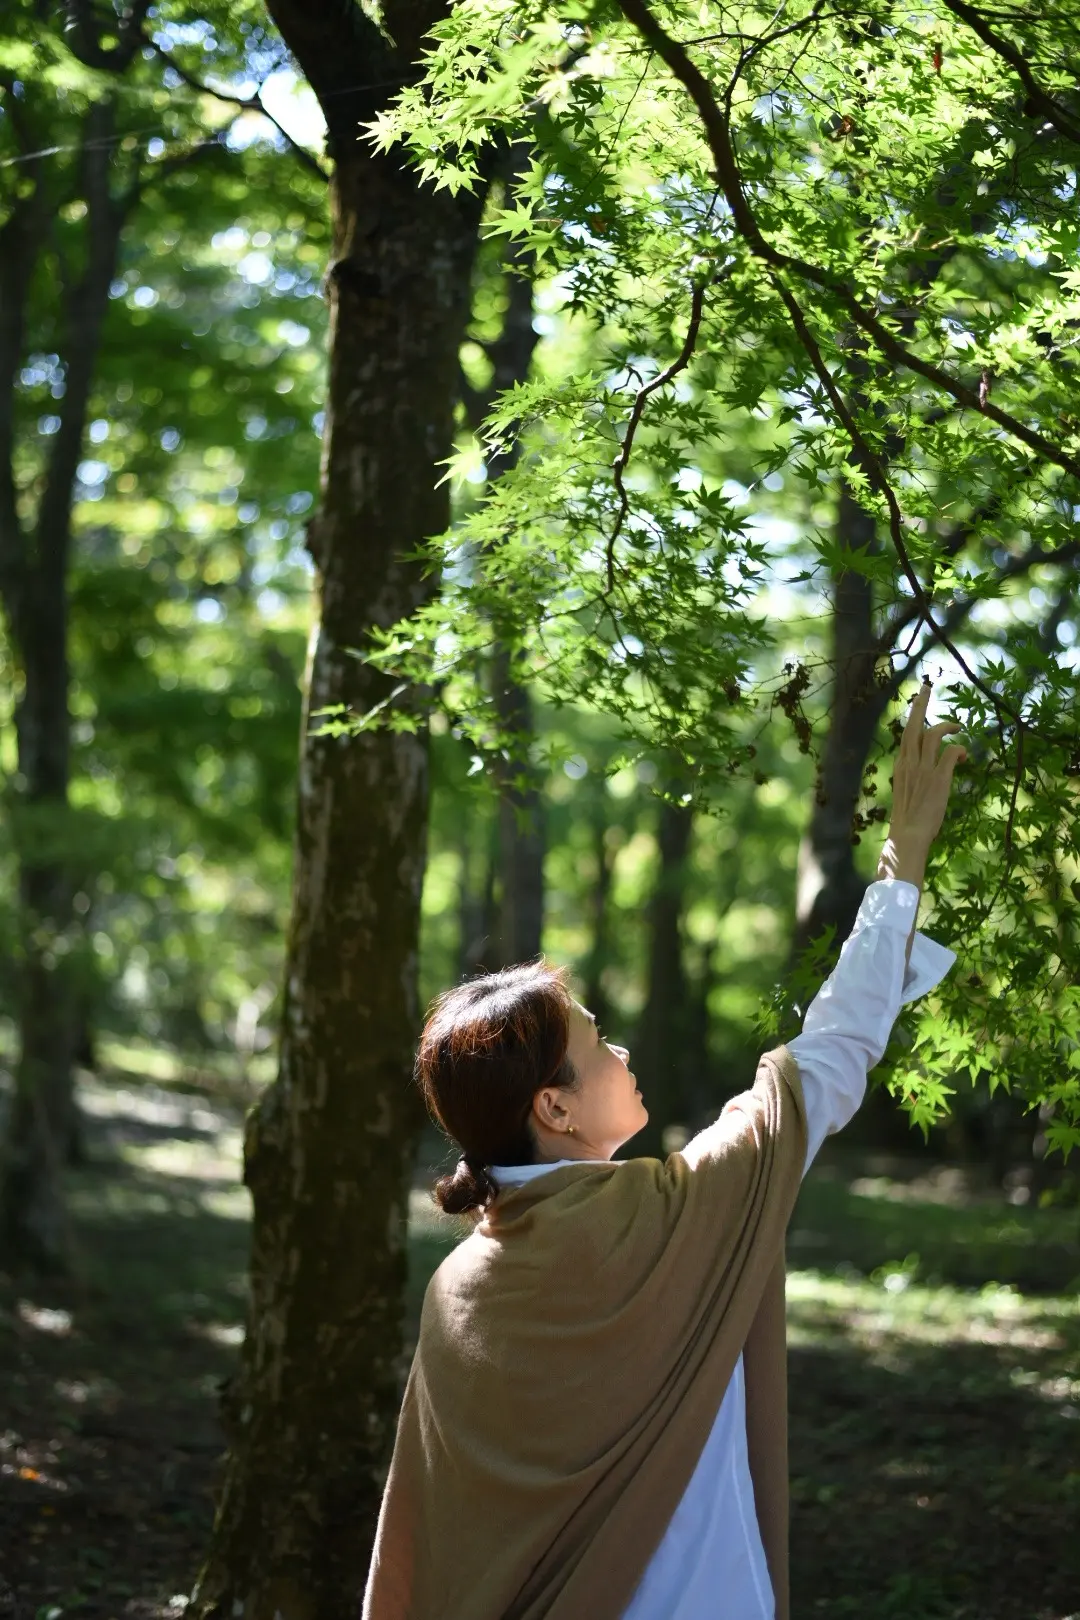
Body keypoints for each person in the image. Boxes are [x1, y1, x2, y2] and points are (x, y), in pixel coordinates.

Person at [362, 678, 967, 1620]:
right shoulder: (670, 1213)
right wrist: (903, 858)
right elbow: (826, 1060)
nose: (624, 1051)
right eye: (600, 1041)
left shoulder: (462, 1288)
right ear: (555, 1106)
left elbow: (437, 1546)